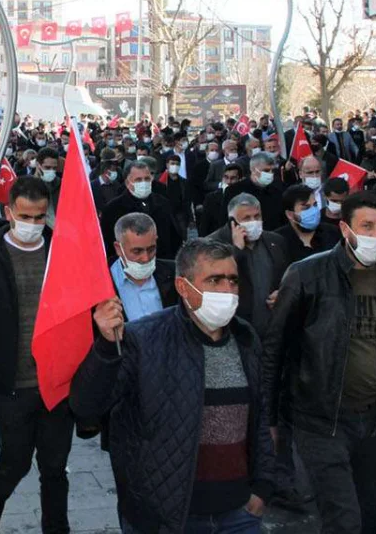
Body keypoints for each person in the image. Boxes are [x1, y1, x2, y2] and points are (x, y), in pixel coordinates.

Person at [71, 238, 276, 532]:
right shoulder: (143, 339)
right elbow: (86, 407)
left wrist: (263, 486)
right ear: (183, 287)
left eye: (232, 280)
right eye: (214, 280)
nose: (227, 291)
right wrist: (105, 347)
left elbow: (259, 419)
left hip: (239, 513)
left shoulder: (245, 338)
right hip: (169, 517)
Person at [265, 191, 376, 534]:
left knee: (370, 511)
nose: (375, 235)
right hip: (322, 420)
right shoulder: (307, 275)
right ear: (345, 228)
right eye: (366, 226)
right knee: (344, 518)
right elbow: (275, 349)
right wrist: (269, 419)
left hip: (373, 422)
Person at [0, 177, 74, 534]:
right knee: (14, 463)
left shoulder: (62, 250)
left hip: (57, 383)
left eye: (40, 217)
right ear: (9, 211)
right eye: (25, 216)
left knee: (55, 469)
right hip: (12, 384)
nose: (32, 224)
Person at [207, 194, 287, 338]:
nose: (254, 222)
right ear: (233, 221)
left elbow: (286, 277)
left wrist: (282, 293)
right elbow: (215, 282)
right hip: (235, 332)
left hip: (272, 330)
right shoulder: (212, 245)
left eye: (257, 216)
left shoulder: (276, 241)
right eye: (247, 218)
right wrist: (236, 249)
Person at [99, 160, 178, 261]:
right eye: (138, 180)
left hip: (162, 264)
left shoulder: (163, 203)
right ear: (128, 183)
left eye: (147, 179)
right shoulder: (112, 209)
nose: (144, 183)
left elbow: (174, 237)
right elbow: (108, 245)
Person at [108, 213, 178, 321]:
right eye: (137, 251)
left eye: (151, 249)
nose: (145, 258)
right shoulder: (102, 284)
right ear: (118, 248)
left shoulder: (174, 272)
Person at [273, 183, 343, 263]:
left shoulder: (332, 232)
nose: (313, 211)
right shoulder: (278, 241)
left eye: (315, 205)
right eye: (306, 207)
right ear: (290, 214)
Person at [224, 151, 285, 230]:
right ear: (253, 169)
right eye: (266, 170)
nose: (270, 174)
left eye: (272, 171)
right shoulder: (234, 191)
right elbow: (226, 221)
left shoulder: (277, 191)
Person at [199, 163, 244, 238]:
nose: (229, 181)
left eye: (233, 178)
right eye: (226, 177)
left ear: (240, 179)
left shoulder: (245, 198)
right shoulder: (211, 198)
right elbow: (204, 225)